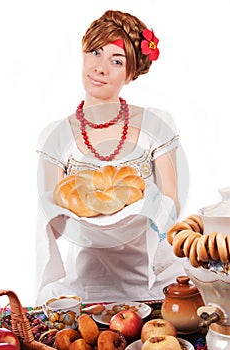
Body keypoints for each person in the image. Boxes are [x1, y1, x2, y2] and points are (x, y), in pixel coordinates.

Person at [35, 9, 189, 305]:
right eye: (95, 52)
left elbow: (172, 202)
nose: (100, 67)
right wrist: (97, 222)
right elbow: (53, 217)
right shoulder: (55, 137)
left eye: (116, 61)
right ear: (82, 53)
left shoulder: (156, 125)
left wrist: (129, 218)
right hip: (86, 285)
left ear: (131, 73)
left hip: (155, 281)